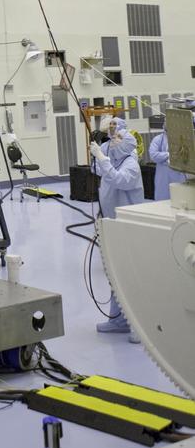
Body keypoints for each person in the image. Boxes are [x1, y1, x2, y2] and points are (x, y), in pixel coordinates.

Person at [90, 119, 144, 339]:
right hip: (110, 222)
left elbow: (118, 178)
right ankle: (118, 320)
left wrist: (102, 158)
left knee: (130, 276)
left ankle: (139, 327)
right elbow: (99, 169)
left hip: (127, 227)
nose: (114, 139)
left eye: (119, 137)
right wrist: (98, 151)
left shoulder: (130, 163)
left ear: (128, 143)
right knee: (114, 274)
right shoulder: (112, 156)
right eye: (113, 135)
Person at [149, 112, 190, 200]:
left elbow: (186, 155)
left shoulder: (183, 139)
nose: (167, 123)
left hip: (178, 173)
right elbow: (153, 155)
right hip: (163, 174)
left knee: (180, 198)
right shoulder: (158, 139)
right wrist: (169, 154)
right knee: (162, 199)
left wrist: (164, 156)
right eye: (165, 121)